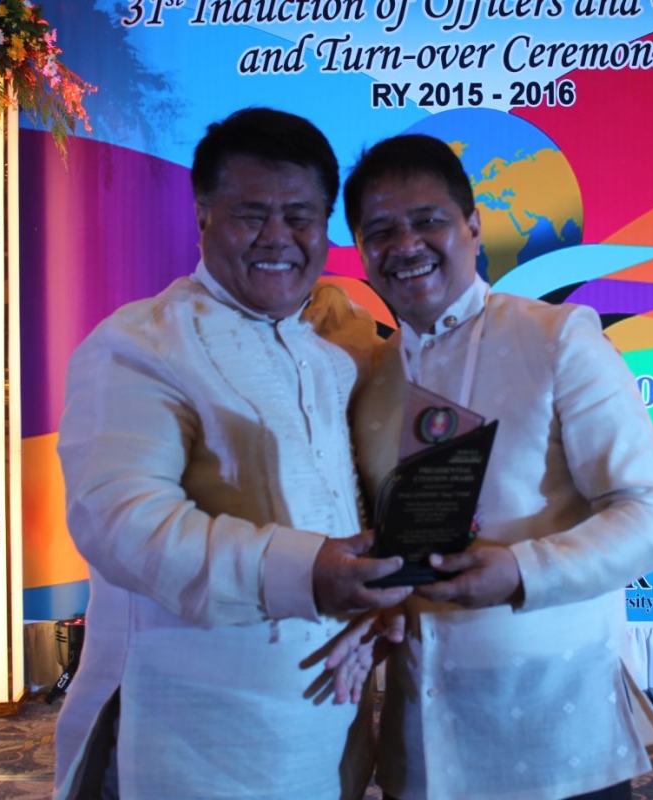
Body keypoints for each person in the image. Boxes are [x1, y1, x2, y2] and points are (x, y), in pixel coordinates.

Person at [52, 107, 412, 800]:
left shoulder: (341, 345)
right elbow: (124, 526)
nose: (278, 237)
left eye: (300, 216)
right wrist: (309, 572)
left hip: (331, 731)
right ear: (202, 217)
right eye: (252, 214)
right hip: (188, 737)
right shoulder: (140, 345)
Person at [340, 134, 653, 800]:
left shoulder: (556, 339)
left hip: (555, 730)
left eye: (427, 220)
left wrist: (523, 571)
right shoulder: (372, 374)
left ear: (472, 227)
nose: (405, 244)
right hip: (419, 740)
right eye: (380, 231)